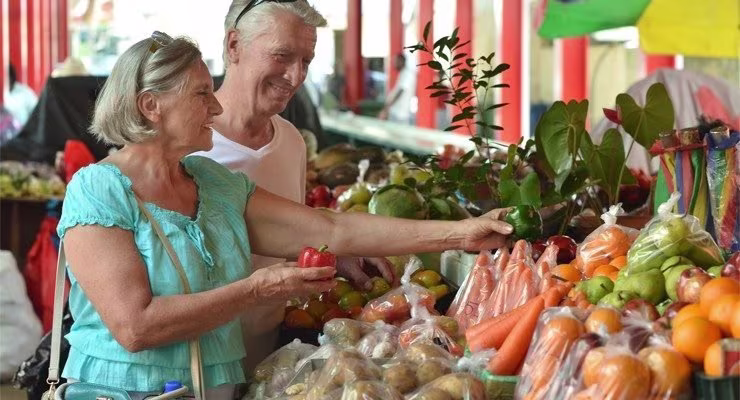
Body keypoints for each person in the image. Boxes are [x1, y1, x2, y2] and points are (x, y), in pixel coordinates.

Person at [58, 31, 513, 398]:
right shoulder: (98, 191)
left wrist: (458, 233)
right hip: (118, 392)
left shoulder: (212, 182)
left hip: (215, 388)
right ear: (150, 105)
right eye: (201, 94)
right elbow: (134, 326)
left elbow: (330, 227)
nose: (216, 107)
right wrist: (256, 290)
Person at [198, 0, 387, 372]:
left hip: (268, 357)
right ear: (233, 46)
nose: (296, 76)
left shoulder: (291, 141)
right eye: (282, 55)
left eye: (307, 61)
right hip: (195, 365)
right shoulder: (186, 145)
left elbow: (282, 240)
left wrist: (331, 254)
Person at [378, 53, 416, 124]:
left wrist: (386, 108)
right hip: (395, 112)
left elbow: (400, 91)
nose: (394, 64)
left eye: (396, 61)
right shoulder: (403, 73)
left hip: (400, 115)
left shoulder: (408, 74)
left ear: (401, 61)